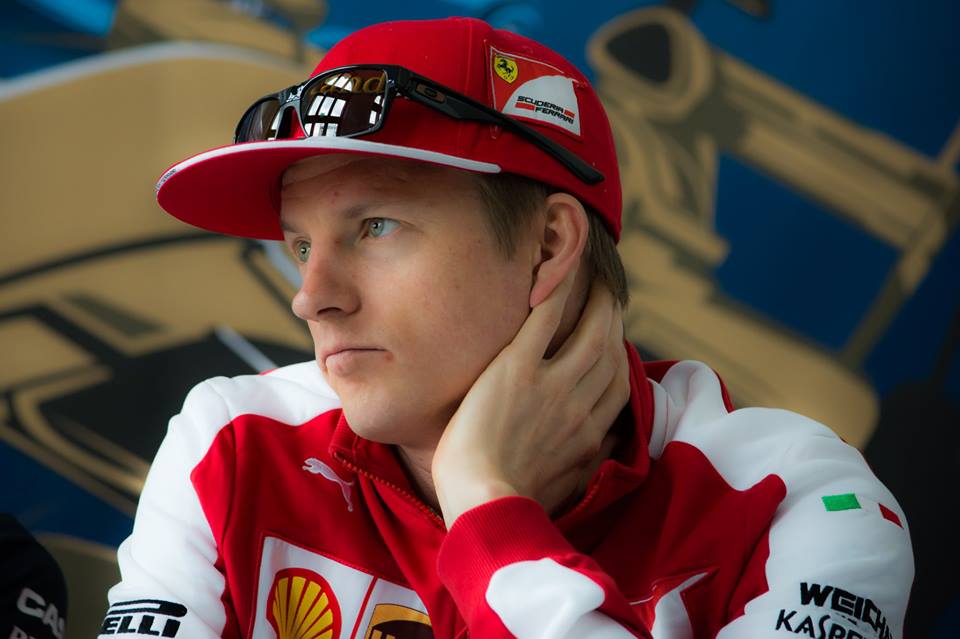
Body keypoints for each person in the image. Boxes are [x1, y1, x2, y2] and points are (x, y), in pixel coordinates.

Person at [99, 17, 913, 639]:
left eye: (375, 227)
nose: (311, 298)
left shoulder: (800, 502)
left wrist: (487, 508)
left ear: (549, 245)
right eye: (301, 245)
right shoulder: (231, 443)